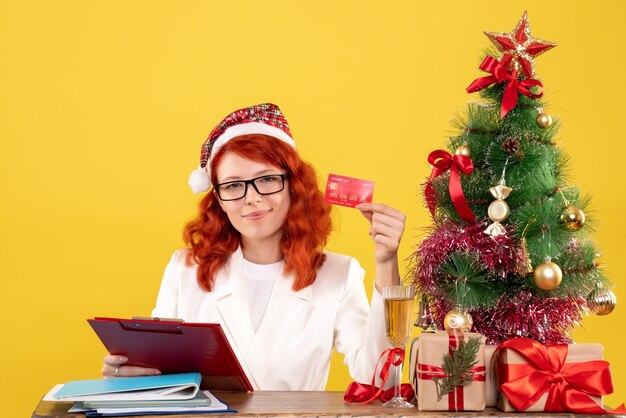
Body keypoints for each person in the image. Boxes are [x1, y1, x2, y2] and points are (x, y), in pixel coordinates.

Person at [101, 103, 406, 390]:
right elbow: (160, 378)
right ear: (218, 199)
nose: (252, 198)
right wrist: (129, 376)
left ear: (293, 186)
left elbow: (382, 381)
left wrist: (387, 264)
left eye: (267, 179)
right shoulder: (185, 268)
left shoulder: (339, 273)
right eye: (234, 185)